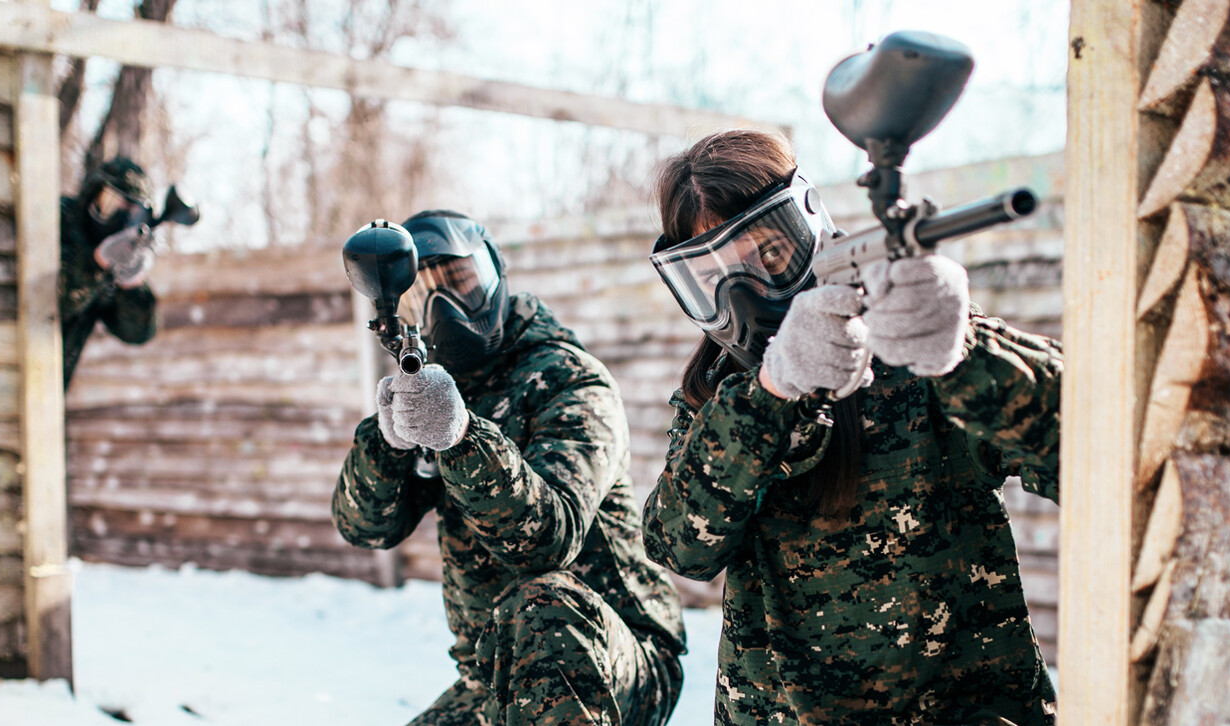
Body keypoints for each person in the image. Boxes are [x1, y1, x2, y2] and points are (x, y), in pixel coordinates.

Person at [641, 130, 1062, 725]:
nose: (748, 291)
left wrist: (968, 351)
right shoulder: (721, 397)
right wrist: (770, 394)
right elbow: (679, 545)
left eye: (769, 253)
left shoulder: (918, 349)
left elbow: (1087, 455)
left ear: (809, 230)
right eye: (717, 275)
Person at [332, 210, 687, 726]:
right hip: (497, 670)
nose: (446, 307)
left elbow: (551, 540)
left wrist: (459, 439)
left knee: (542, 606)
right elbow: (364, 528)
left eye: (460, 282)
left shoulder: (572, 381)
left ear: (495, 275)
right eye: (426, 294)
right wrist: (387, 444)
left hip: (611, 657)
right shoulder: (434, 388)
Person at [59, 157, 161, 387]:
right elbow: (52, 301)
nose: (119, 219)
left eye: (132, 212)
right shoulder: (58, 222)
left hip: (47, 393)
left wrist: (132, 284)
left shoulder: (117, 262)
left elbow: (137, 332)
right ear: (92, 195)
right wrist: (96, 264)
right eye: (110, 204)